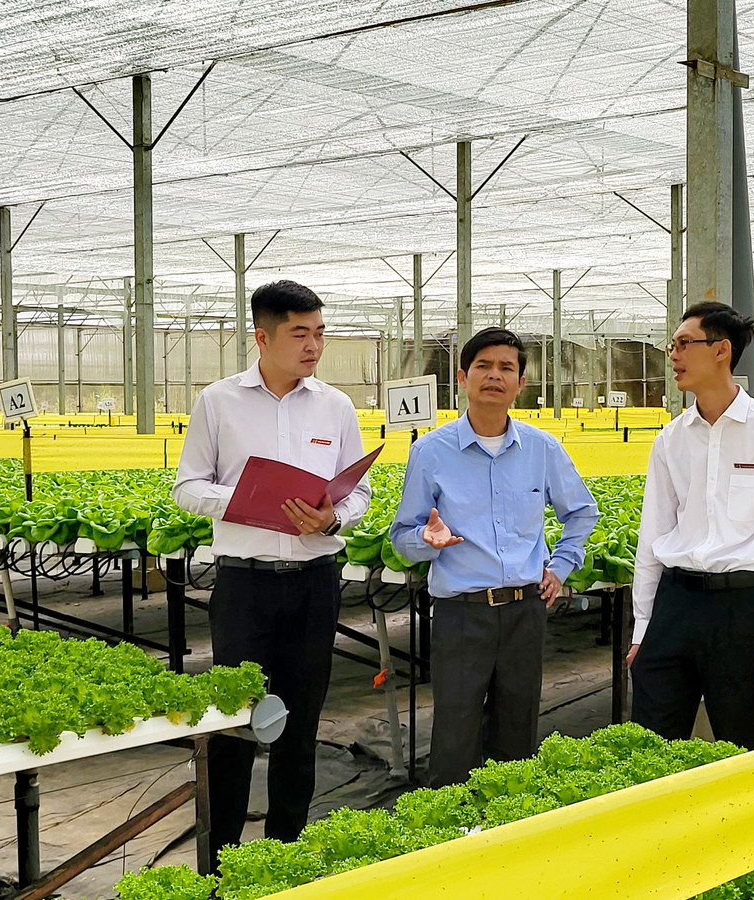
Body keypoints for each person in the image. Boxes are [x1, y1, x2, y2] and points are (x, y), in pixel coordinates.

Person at [171, 280, 370, 857]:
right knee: (235, 724)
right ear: (262, 337)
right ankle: (221, 862)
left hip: (314, 583)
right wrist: (247, 501)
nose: (314, 346)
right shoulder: (218, 402)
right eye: (300, 333)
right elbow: (187, 487)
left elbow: (358, 493)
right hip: (245, 585)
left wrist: (332, 518)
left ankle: (284, 856)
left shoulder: (336, 406)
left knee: (299, 727)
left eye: (320, 333)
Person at [390, 327, 599, 787]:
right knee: (455, 735)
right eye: (483, 366)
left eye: (506, 368)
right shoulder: (431, 451)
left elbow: (582, 512)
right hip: (462, 615)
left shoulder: (542, 449)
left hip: (526, 611)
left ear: (520, 383)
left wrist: (561, 566)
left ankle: (510, 825)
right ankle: (452, 824)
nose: (494, 376)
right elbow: (401, 537)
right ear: (462, 378)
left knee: (517, 733)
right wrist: (427, 539)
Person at [626, 301, 754, 750]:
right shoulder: (671, 439)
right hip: (675, 604)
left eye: (684, 344)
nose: (674, 355)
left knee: (741, 743)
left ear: (722, 350)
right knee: (650, 744)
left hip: (740, 609)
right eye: (672, 346)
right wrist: (643, 628)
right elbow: (652, 538)